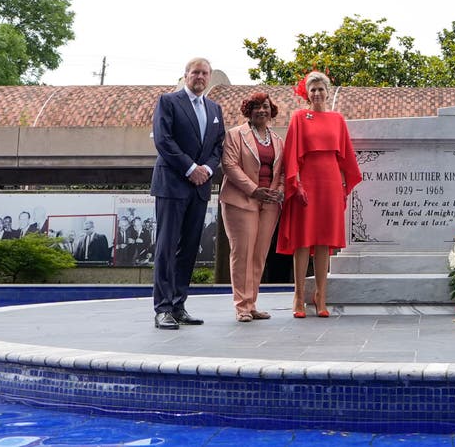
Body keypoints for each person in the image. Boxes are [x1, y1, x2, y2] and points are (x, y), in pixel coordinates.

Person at [277, 71, 362, 318]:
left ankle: (321, 297)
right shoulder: (299, 117)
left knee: (325, 241)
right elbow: (292, 153)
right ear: (307, 93)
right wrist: (297, 183)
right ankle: (298, 297)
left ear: (327, 91)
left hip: (331, 182)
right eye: (312, 89)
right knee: (303, 240)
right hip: (307, 182)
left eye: (320, 89)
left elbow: (345, 156)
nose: (316, 93)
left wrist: (345, 187)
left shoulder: (337, 119)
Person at [150, 57, 226, 330]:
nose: (200, 77)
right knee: (167, 247)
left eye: (205, 73)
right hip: (172, 184)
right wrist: (190, 168)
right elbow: (163, 140)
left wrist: (205, 168)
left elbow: (218, 145)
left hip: (199, 188)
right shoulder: (168, 102)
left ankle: (179, 305)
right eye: (195, 72)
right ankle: (163, 308)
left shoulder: (215, 108)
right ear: (185, 75)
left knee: (189, 249)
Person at [221, 91, 286, 322]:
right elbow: (229, 165)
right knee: (243, 253)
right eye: (257, 106)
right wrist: (253, 189)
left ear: (271, 110)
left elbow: (282, 171)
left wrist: (278, 190)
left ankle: (252, 302)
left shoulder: (278, 140)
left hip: (269, 204)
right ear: (249, 110)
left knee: (259, 255)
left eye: (266, 106)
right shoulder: (235, 135)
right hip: (241, 200)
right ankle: (242, 306)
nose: (262, 110)